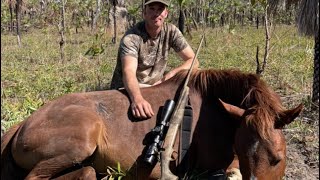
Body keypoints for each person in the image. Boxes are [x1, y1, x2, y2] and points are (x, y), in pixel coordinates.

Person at [110, 0, 199, 119]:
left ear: (166, 13)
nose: (156, 14)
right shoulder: (131, 38)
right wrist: (137, 99)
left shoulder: (171, 31)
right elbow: (129, 72)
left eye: (160, 9)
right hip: (129, 89)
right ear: (144, 12)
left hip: (156, 87)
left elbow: (193, 60)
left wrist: (172, 74)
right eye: (152, 9)